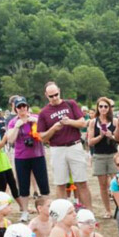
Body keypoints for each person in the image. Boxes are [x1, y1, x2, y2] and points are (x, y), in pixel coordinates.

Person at [36, 81, 92, 209]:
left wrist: (69, 122)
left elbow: (83, 123)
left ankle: (89, 214)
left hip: (75, 145)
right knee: (60, 184)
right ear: (46, 95)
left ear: (59, 91)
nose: (54, 98)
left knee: (82, 182)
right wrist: (53, 129)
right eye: (51, 96)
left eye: (56, 94)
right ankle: (63, 214)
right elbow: (42, 137)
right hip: (57, 149)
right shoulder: (44, 112)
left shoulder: (70, 104)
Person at [4, 97, 49, 218]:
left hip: (38, 155)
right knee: (23, 185)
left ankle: (46, 209)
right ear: (15, 109)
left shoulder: (36, 118)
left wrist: (34, 122)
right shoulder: (13, 122)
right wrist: (17, 126)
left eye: (24, 106)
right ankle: (24, 211)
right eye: (19, 107)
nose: (22, 109)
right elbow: (11, 140)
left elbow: (45, 135)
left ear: (27, 107)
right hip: (21, 157)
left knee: (43, 183)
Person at [86, 97, 117, 218]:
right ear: (97, 108)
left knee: (117, 183)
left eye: (105, 106)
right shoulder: (93, 122)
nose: (103, 109)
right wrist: (100, 136)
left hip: (113, 155)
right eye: (101, 106)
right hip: (99, 155)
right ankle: (107, 210)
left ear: (109, 108)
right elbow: (90, 142)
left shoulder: (114, 121)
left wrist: (111, 136)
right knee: (103, 185)